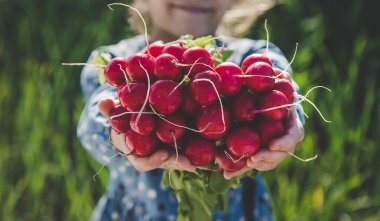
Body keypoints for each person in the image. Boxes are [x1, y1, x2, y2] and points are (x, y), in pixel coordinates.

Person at [77, 0, 305, 220]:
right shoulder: (117, 61)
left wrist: (289, 118)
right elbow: (93, 119)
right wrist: (117, 134)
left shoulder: (252, 54)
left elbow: (285, 89)